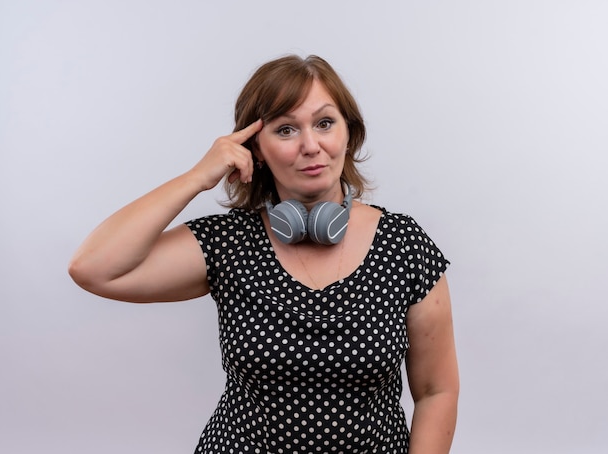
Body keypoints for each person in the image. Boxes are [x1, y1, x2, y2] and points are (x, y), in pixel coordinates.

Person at [69, 54, 459, 453]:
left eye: (325, 123)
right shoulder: (228, 243)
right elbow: (93, 267)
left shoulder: (403, 245)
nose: (311, 146)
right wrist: (196, 178)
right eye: (286, 130)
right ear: (255, 148)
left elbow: (436, 391)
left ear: (348, 134)